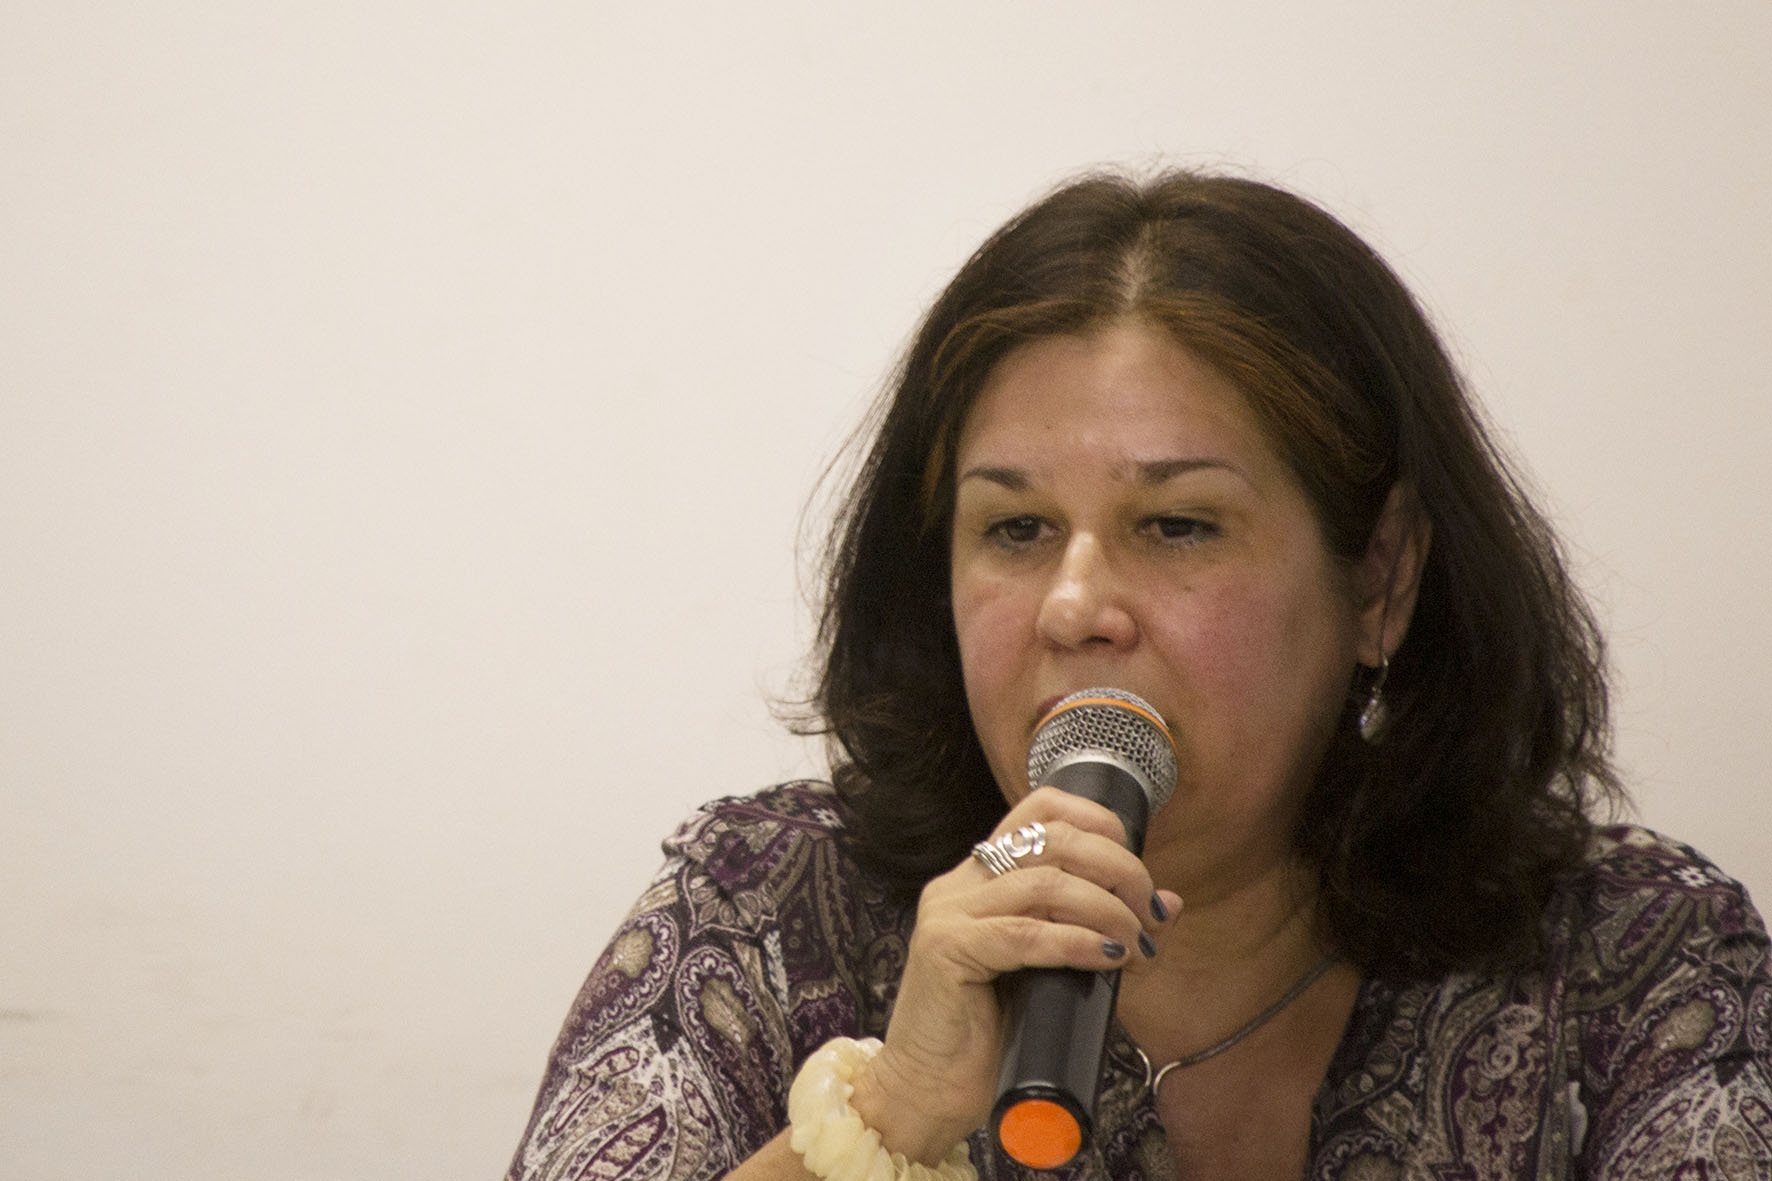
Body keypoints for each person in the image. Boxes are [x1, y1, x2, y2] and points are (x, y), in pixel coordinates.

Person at [505, 170, 1772, 1180]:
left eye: (1177, 526)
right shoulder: (763, 915)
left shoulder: (1627, 960)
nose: (1072, 605)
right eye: (1013, 529)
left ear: (1377, 577)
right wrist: (887, 1116)